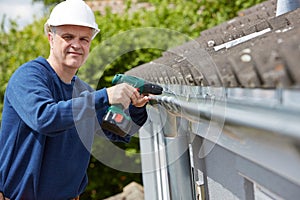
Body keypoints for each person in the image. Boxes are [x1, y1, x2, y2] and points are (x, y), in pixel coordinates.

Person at [0, 0, 149, 199]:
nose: (76, 45)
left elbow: (118, 130)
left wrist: (136, 107)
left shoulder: (82, 91)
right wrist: (105, 96)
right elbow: (45, 118)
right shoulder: (28, 77)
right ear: (51, 38)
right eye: (68, 37)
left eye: (84, 39)